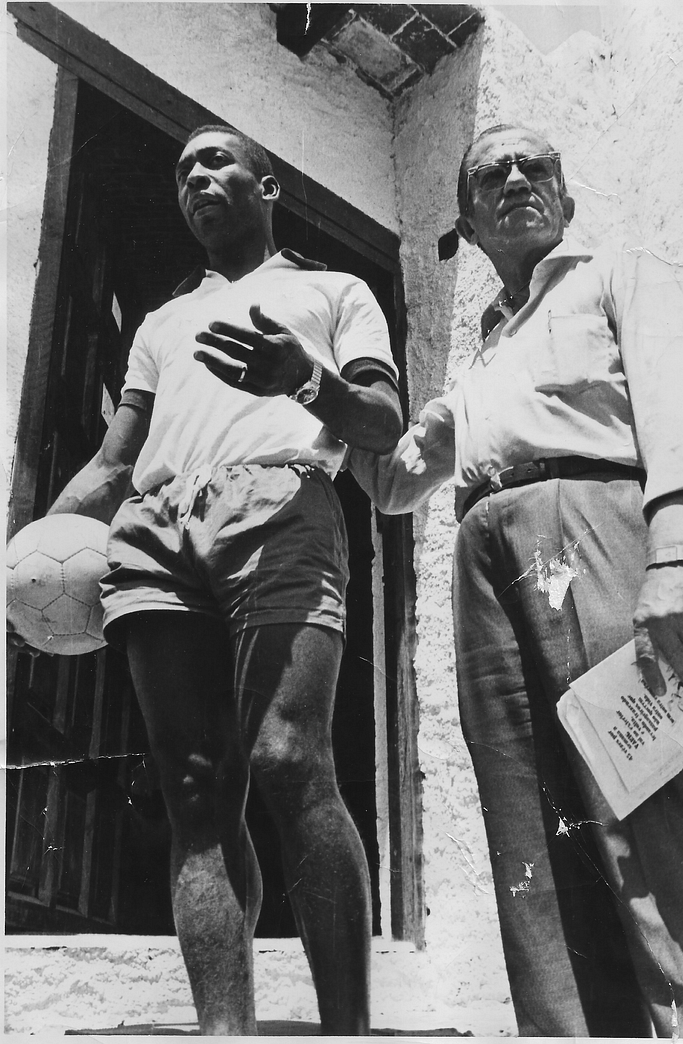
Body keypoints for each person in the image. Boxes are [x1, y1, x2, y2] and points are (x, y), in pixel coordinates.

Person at [349, 124, 683, 1038]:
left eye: (534, 166)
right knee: (536, 843)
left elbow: (676, 409)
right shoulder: (477, 366)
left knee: (659, 814)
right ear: (469, 224)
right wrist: (318, 392)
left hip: (596, 532)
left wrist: (673, 556)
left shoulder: (616, 276)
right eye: (491, 174)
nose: (515, 177)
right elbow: (392, 483)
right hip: (488, 566)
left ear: (566, 197)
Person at [9, 124, 402, 1035]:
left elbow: (381, 422)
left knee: (289, 759)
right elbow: (114, 463)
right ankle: (225, 1032)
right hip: (156, 529)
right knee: (194, 786)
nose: (197, 176)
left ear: (269, 187)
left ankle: (348, 1030)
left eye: (218, 160)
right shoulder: (160, 322)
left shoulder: (334, 291)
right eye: (185, 169)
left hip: (281, 506)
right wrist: (27, 554)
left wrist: (305, 381)